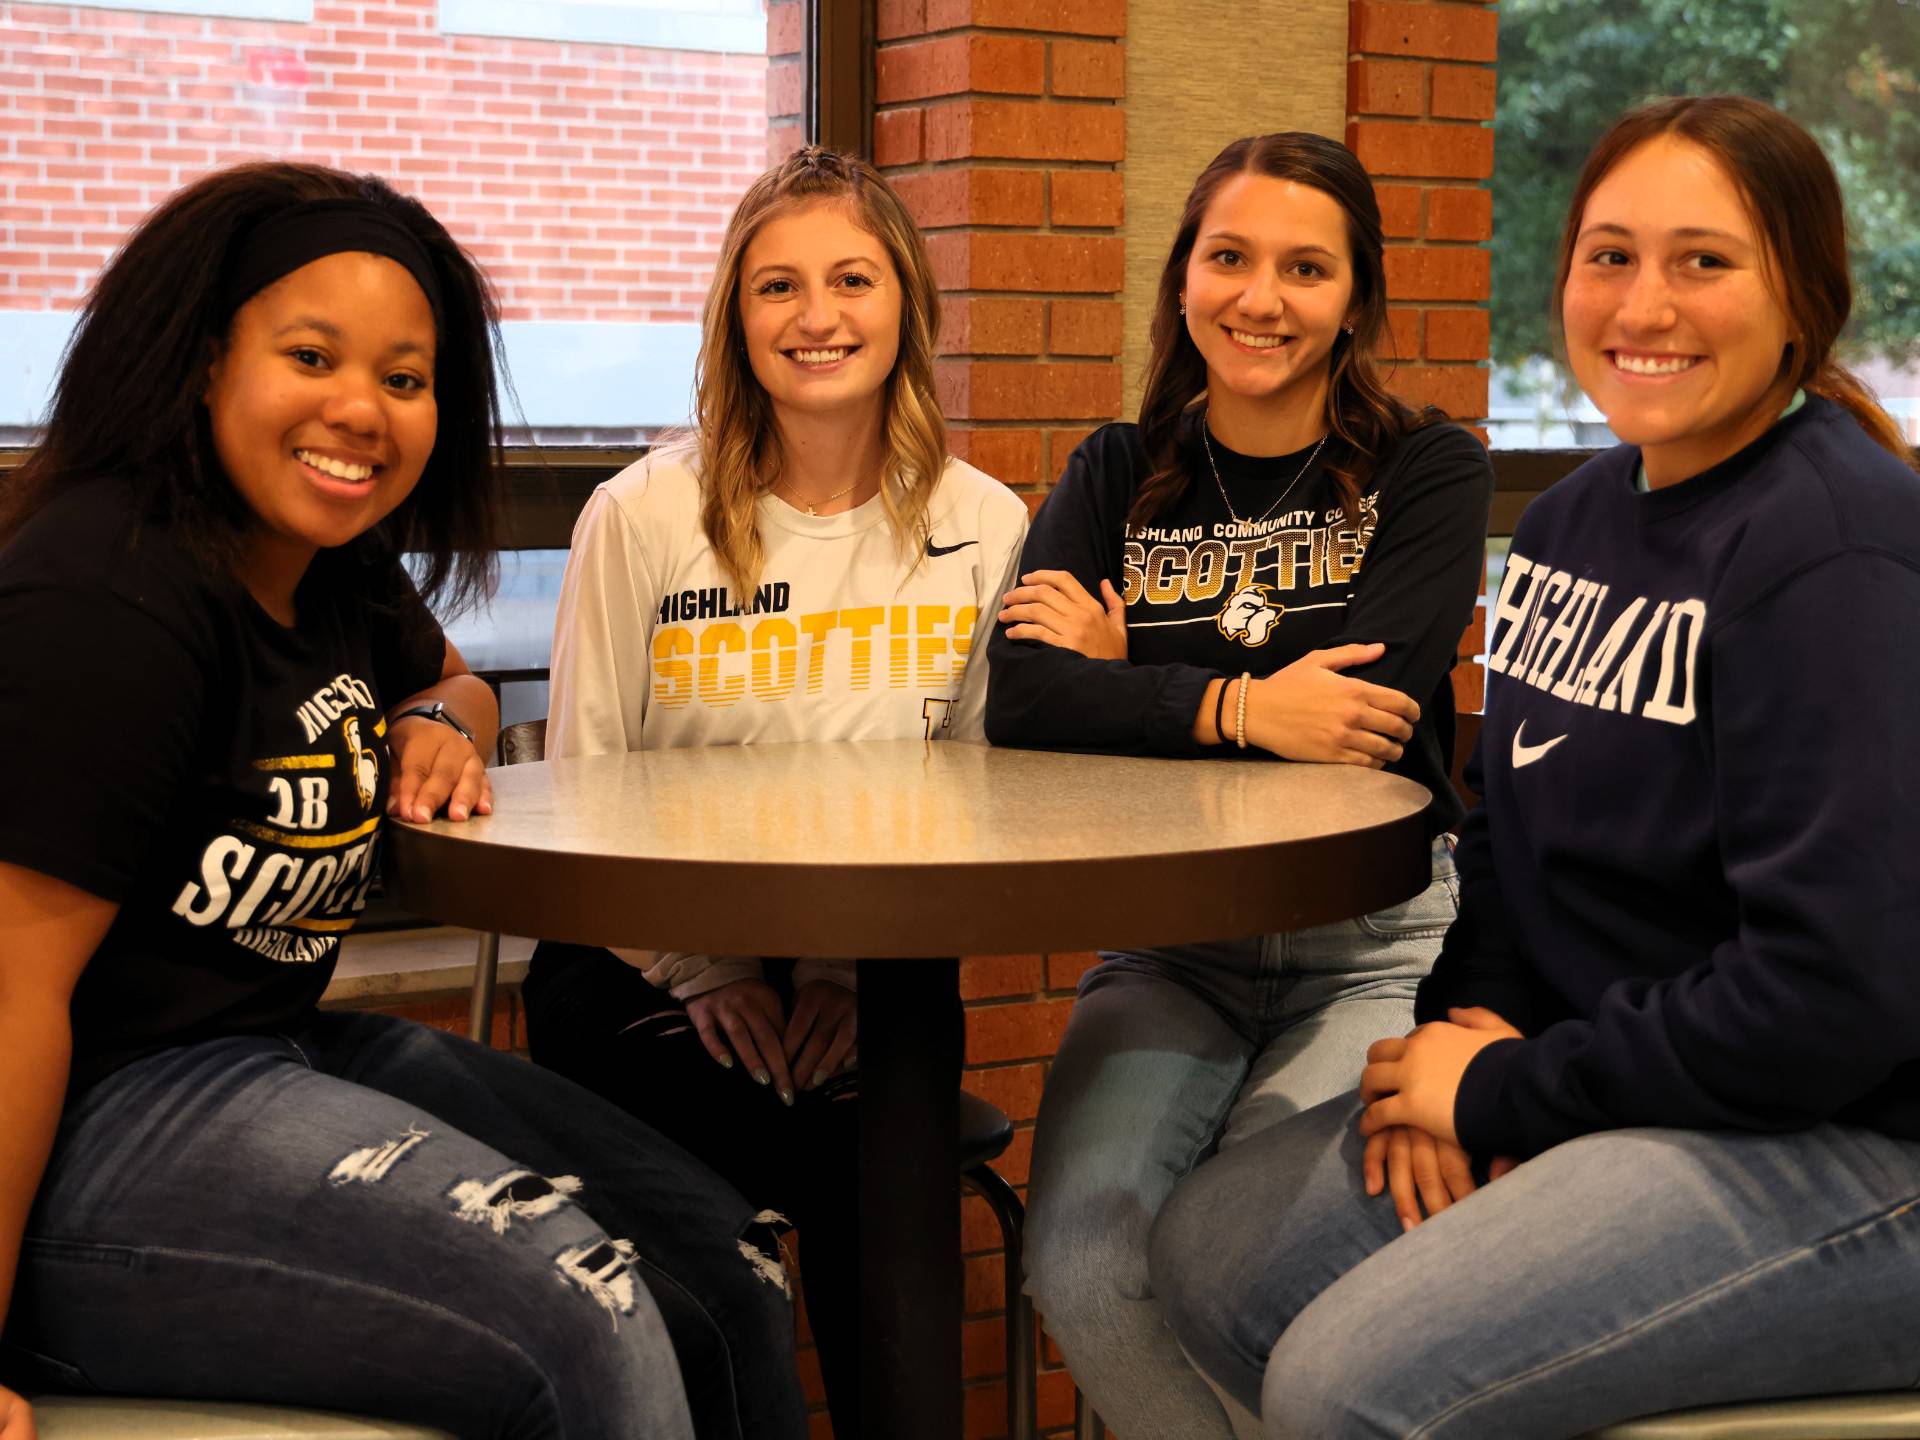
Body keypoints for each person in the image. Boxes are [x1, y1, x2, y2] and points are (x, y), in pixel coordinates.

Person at [1148, 95, 1920, 1440]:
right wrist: (1458, 1034)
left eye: (1704, 261)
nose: (1646, 304)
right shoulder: (1567, 526)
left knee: (1351, 1383)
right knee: (1212, 1257)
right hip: (1632, 1082)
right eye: (1610, 256)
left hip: (1859, 1138)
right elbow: (1505, 846)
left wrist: (1512, 1094)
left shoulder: (1838, 549)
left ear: (1802, 290)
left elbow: (1830, 999)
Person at [0, 161, 807, 1440]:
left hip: (272, 1054)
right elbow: (7, 993)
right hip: (88, 1133)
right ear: (206, 360)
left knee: (730, 1260)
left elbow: (447, 680)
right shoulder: (109, 592)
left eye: (404, 378)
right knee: (586, 1315)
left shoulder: (328, 564)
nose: (360, 410)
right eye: (311, 356)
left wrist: (440, 719)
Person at [983, 132, 1493, 1434]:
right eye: (1230, 258)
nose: (1261, 298)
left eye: (1305, 268)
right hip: (1168, 952)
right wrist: (1251, 702)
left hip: (1376, 950)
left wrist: (1132, 670)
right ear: (1183, 279)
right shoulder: (1113, 469)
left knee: (1261, 1279)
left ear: (1357, 298)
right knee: (1087, 1273)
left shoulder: (1427, 468)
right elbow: (1026, 699)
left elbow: (1370, 709)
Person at [521, 145, 1029, 1432]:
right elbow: (580, 785)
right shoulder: (640, 516)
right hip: (637, 963)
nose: (817, 318)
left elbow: (986, 801)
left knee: (880, 1184)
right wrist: (709, 968)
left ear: (906, 302)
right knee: (790, 1198)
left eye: (852, 280)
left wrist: (857, 977)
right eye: (778, 287)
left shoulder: (985, 522)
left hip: (879, 972)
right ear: (734, 318)